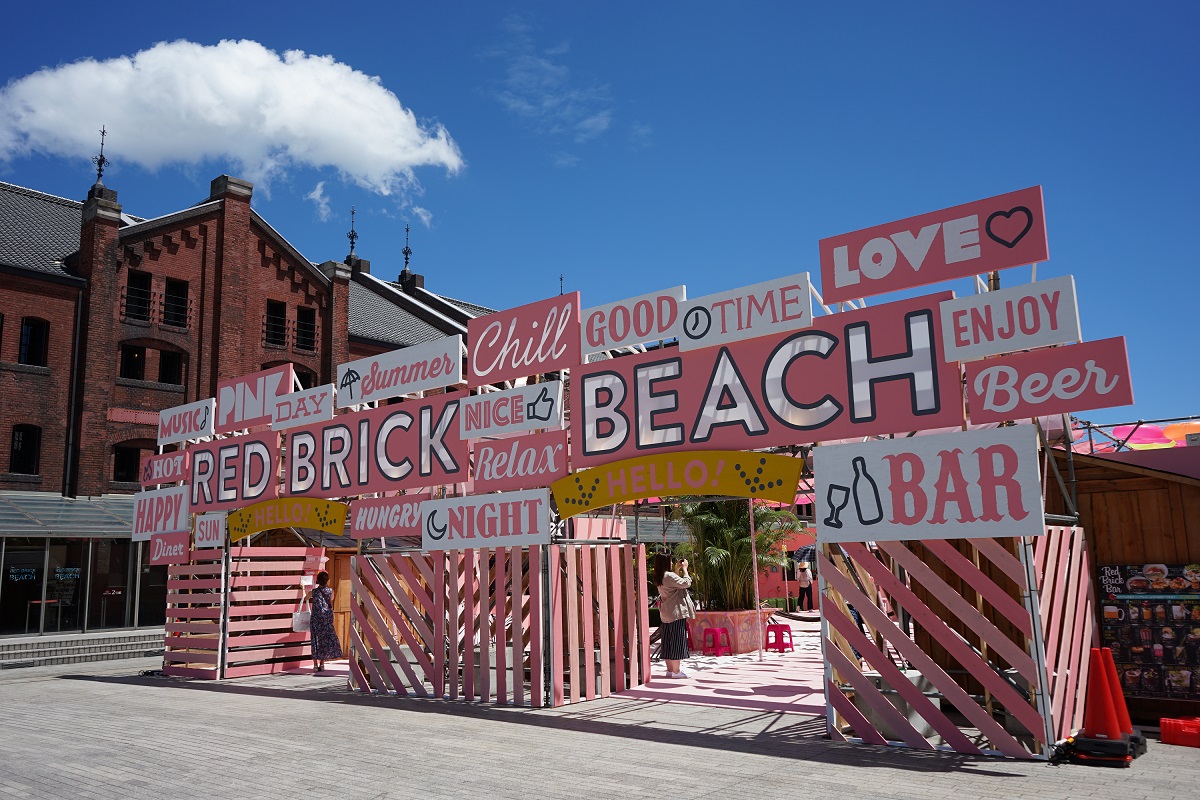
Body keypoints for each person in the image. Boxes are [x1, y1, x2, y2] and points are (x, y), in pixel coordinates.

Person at [654, 553, 695, 679]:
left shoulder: (660, 576)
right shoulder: (669, 576)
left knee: (668, 642)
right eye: (670, 561)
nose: (672, 563)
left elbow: (673, 584)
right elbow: (686, 583)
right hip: (675, 612)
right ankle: (676, 671)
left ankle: (670, 670)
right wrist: (685, 569)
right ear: (666, 563)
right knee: (677, 641)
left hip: (666, 613)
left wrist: (676, 570)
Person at [309, 571, 343, 673]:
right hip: (327, 618)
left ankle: (315, 665)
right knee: (324, 640)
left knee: (315, 640)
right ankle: (322, 664)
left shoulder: (314, 592)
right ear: (327, 580)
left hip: (316, 618)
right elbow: (331, 600)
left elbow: (306, 598)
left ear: (318, 580)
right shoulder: (330, 591)